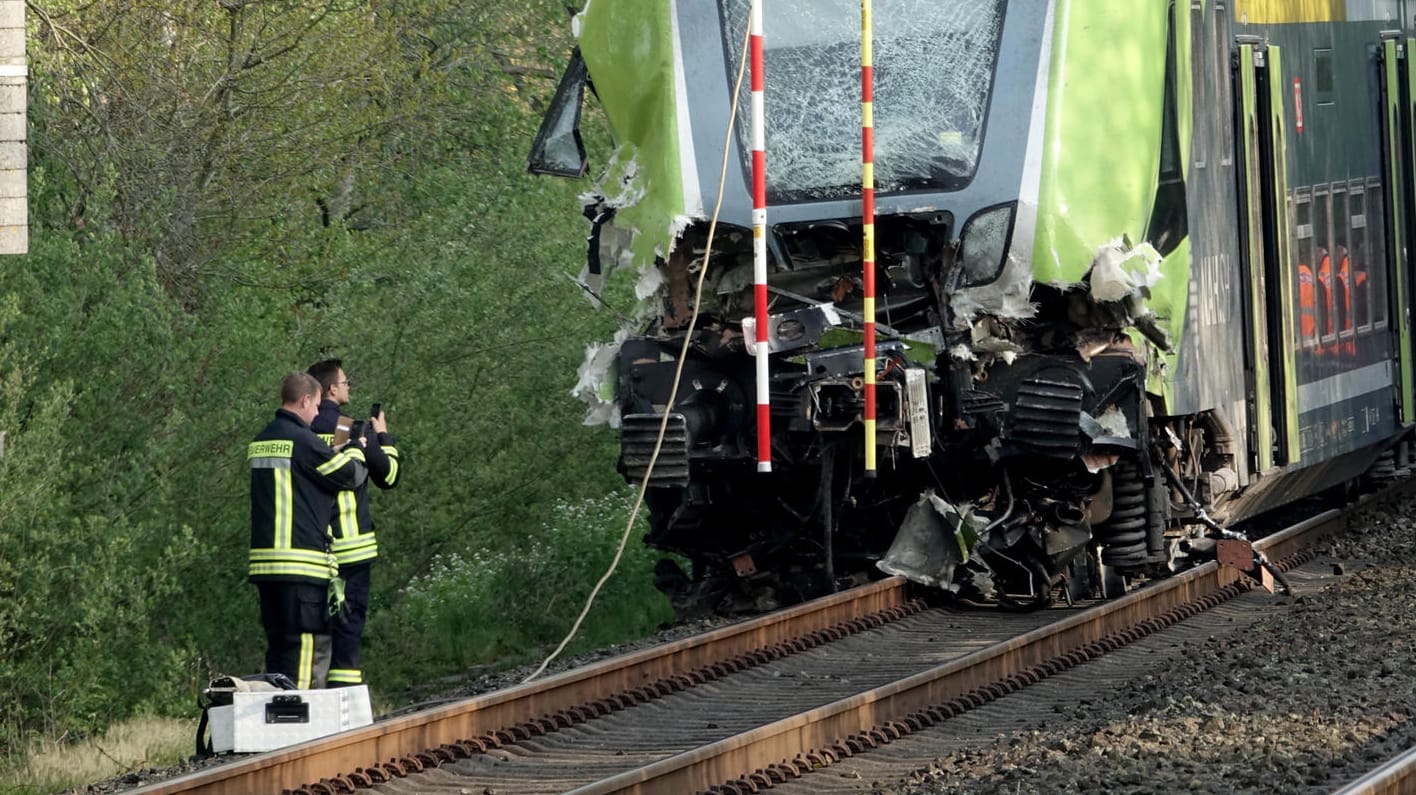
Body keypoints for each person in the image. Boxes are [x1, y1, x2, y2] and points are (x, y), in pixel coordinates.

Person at [249, 372, 367, 689]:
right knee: (305, 651)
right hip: (301, 567)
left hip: (265, 568)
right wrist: (356, 448)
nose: (317, 414)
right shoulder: (303, 442)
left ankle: (275, 727)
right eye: (315, 406)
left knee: (278, 652)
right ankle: (298, 726)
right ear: (304, 400)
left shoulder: (261, 440)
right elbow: (350, 476)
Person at [306, 358, 402, 688]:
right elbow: (389, 475)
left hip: (310, 551)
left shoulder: (299, 431)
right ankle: (344, 706)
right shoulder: (350, 429)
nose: (348, 388)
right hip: (352, 550)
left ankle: (312, 699)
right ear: (331, 389)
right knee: (348, 628)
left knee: (313, 632)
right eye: (346, 383)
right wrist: (383, 436)